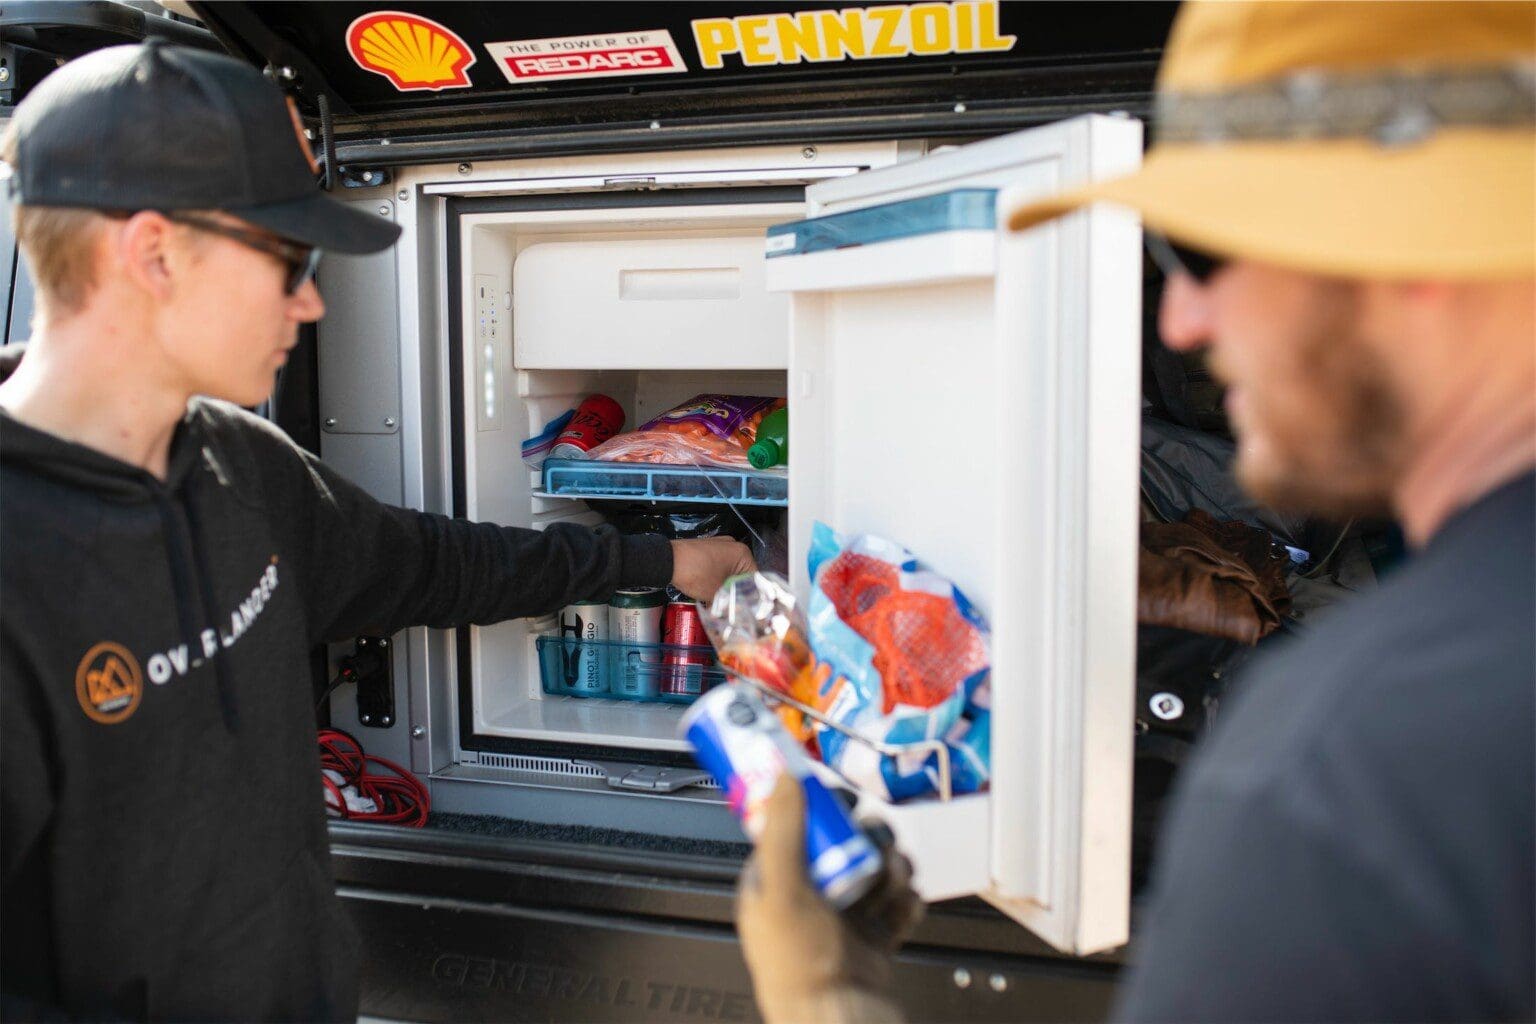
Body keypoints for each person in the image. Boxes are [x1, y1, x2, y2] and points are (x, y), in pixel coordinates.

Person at [737, 1, 1535, 1021]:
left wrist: (823, 994)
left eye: (1207, 249)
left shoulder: (1345, 761)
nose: (1179, 317)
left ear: (1405, 245)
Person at [0, 41, 754, 1021]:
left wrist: (662, 560)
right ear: (151, 254)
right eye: (285, 259)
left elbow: (438, 564)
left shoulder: (242, 467)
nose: (310, 301)